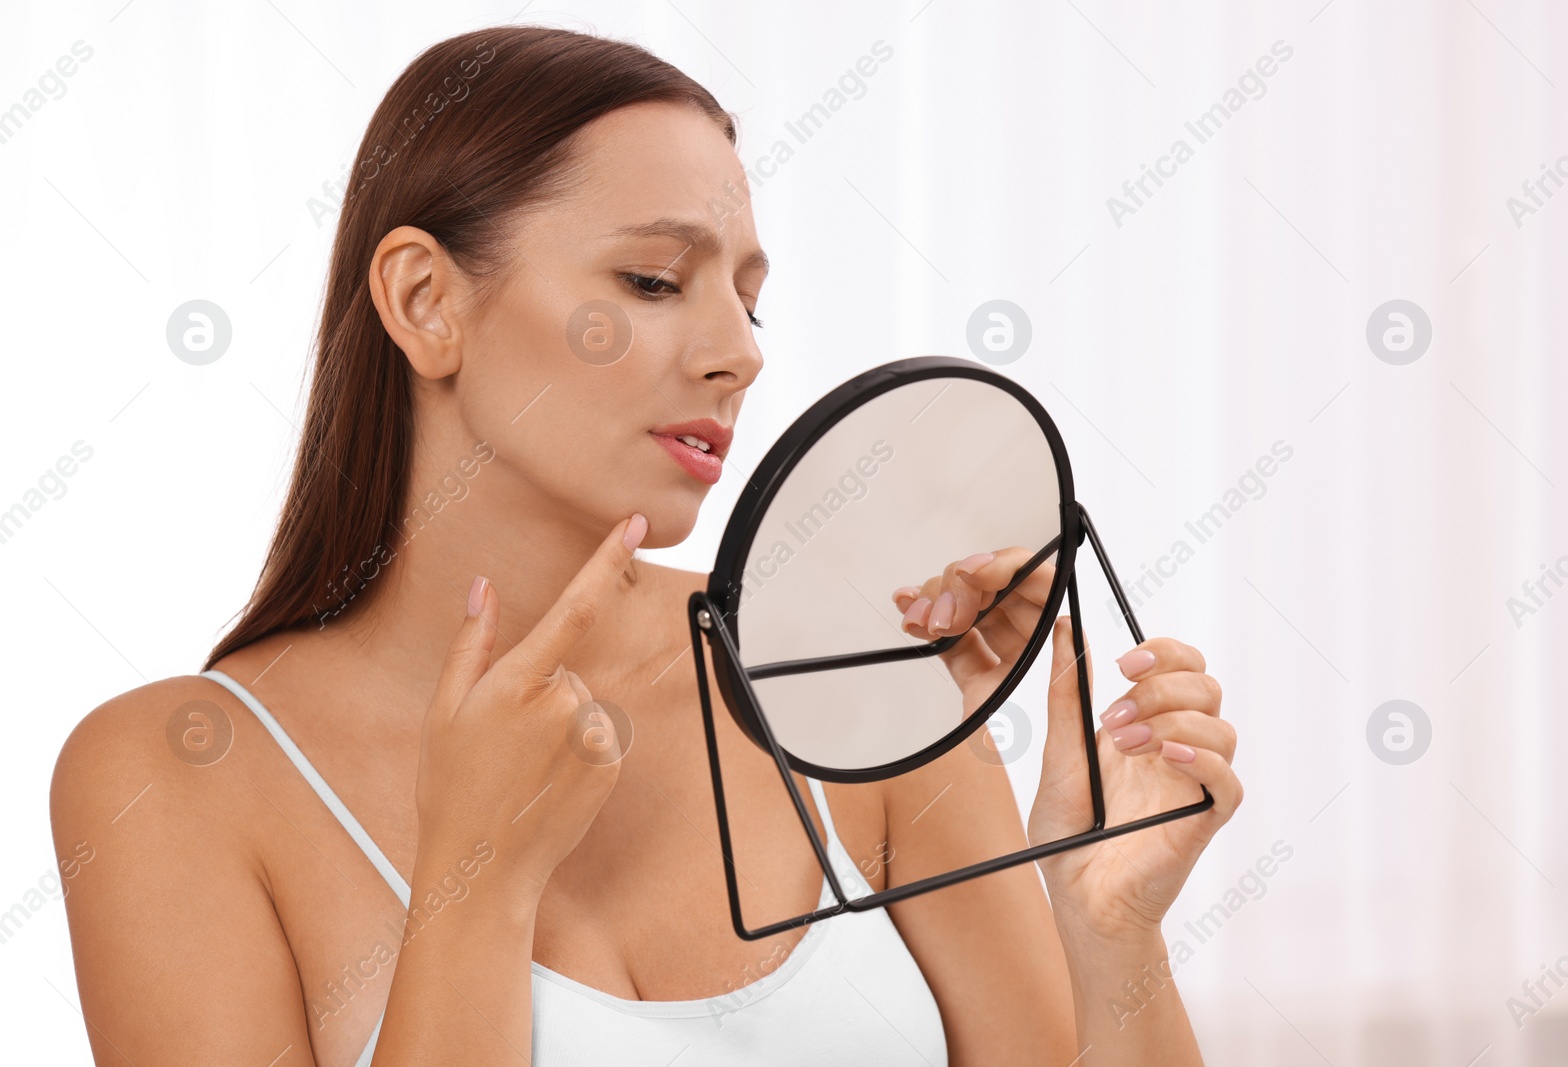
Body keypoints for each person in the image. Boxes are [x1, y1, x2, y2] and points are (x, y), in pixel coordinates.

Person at [49, 24, 1242, 1066]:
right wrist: (474, 889)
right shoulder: (174, 777)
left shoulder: (843, 685)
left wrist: (1108, 929)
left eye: (749, 296)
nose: (740, 350)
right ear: (424, 300)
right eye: (653, 278)